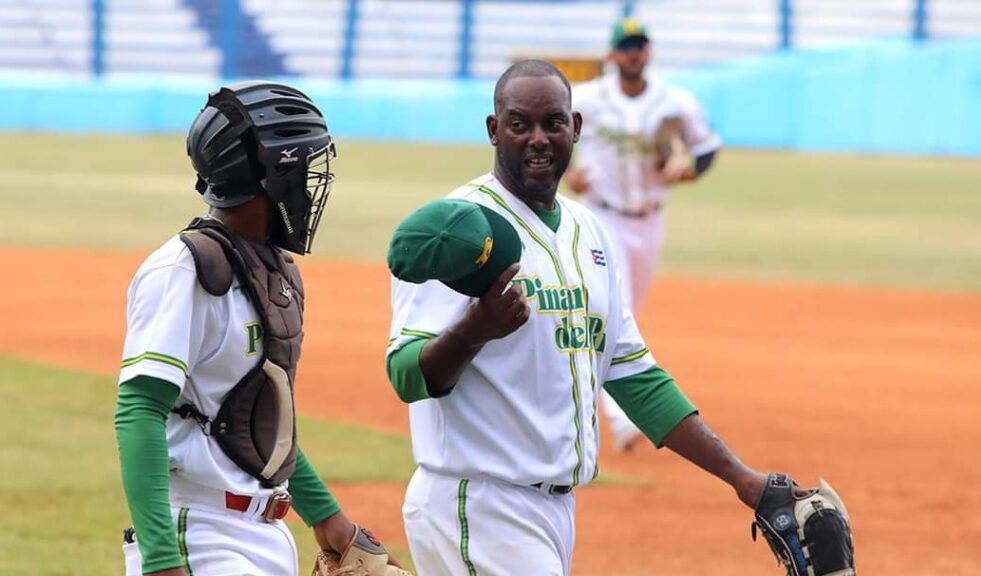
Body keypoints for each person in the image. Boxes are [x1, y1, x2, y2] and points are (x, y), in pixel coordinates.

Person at [384, 60, 770, 576]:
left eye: (554, 123)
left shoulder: (589, 233)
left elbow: (636, 378)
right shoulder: (460, 232)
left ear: (577, 127)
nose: (538, 139)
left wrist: (744, 480)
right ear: (494, 131)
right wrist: (476, 327)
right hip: (480, 505)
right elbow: (406, 374)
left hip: (554, 512)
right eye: (520, 124)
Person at [115, 81, 404, 575]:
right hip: (200, 534)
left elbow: (257, 423)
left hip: (264, 533)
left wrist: (328, 518)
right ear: (272, 173)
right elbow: (139, 408)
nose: (313, 184)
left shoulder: (268, 269)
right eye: (305, 167)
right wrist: (164, 561)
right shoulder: (183, 271)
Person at [565, 17, 723, 451]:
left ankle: (606, 405)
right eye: (626, 45)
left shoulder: (674, 102)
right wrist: (567, 173)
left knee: (625, 310)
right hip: (602, 217)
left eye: (639, 45)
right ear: (613, 54)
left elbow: (707, 148)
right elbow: (551, 132)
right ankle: (621, 417)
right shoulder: (589, 99)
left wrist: (686, 169)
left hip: (650, 220)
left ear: (648, 52)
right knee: (618, 310)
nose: (633, 52)